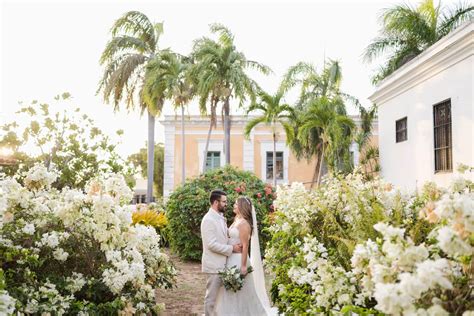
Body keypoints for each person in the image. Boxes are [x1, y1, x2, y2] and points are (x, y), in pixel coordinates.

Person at [214, 196, 277, 316]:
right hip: (231, 257)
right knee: (229, 289)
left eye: (236, 204)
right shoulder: (237, 219)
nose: (234, 205)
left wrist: (243, 266)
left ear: (242, 206)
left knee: (240, 289)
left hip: (238, 260)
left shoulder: (244, 224)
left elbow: (245, 246)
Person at [201, 190, 242, 316]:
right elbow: (211, 244)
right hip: (214, 265)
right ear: (215, 202)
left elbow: (222, 239)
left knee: (220, 300)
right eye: (224, 201)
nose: (226, 204)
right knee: (211, 299)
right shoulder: (208, 220)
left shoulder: (219, 218)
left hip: (223, 265)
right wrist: (232, 249)